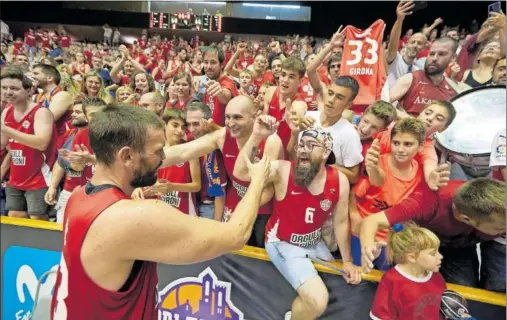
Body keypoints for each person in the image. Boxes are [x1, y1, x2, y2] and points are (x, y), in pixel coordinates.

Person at [50, 104, 271, 319]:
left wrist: (229, 133)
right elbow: (236, 235)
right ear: (126, 157)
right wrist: (258, 179)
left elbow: (183, 152)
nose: (164, 158)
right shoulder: (133, 217)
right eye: (158, 151)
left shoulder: (79, 195)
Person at [234, 122, 361, 320]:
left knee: (336, 285)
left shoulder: (339, 180)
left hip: (313, 242)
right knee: (317, 299)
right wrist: (256, 136)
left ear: (326, 153)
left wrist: (347, 261)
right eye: (301, 145)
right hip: (281, 242)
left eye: (311, 146)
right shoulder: (282, 171)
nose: (303, 150)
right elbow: (240, 173)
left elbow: (341, 222)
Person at [159, 95, 282, 247]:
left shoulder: (271, 140)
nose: (231, 123)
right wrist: (147, 160)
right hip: (235, 203)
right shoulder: (223, 136)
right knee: (229, 250)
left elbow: (267, 190)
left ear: (254, 116)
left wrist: (243, 211)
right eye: (227, 117)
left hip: (263, 208)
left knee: (258, 254)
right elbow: (183, 152)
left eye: (237, 117)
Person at [360, 177, 506, 290]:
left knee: (465, 288)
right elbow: (372, 221)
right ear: (466, 219)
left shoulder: (498, 211)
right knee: (408, 285)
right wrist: (367, 246)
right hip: (424, 242)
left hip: (461, 245)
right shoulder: (429, 200)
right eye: (501, 228)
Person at [351, 118, 448, 270]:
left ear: (421, 146)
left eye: (408, 144)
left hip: (393, 239)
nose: (400, 149)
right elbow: (357, 192)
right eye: (396, 143)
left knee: (387, 277)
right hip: (362, 233)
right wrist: (354, 217)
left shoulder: (421, 175)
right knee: (360, 274)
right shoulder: (377, 162)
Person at [0, 66, 56, 220]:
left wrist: (6, 129)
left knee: (37, 220)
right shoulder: (7, 111)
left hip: (39, 178)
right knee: (14, 217)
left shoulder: (41, 112)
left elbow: (41, 143)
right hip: (16, 178)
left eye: (14, 88)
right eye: (4, 88)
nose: (8, 92)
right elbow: (2, 144)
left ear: (29, 90)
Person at [46, 99, 106, 223]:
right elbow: (76, 170)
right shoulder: (81, 135)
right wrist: (77, 160)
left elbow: (115, 162)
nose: (97, 118)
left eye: (100, 114)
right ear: (87, 117)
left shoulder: (117, 135)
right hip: (80, 191)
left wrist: (89, 158)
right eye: (92, 115)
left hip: (104, 193)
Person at [370, 223, 446, 320]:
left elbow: (443, 308)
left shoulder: (437, 276)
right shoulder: (392, 280)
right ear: (412, 257)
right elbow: (381, 316)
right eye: (433, 253)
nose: (440, 256)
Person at [132, 109, 201, 215]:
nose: (179, 131)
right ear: (164, 124)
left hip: (184, 208)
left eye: (183, 127)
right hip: (157, 207)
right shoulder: (153, 148)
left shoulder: (190, 150)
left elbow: (197, 186)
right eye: (175, 125)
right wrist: (138, 189)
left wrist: (172, 187)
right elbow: (143, 178)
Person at [389, 37, 458, 118]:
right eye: (431, 54)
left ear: (453, 58)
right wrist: (409, 119)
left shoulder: (452, 90)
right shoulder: (411, 79)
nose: (434, 58)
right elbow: (382, 103)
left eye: (441, 54)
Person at [185, 101, 227, 220]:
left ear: (207, 122)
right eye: (188, 124)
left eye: (196, 124)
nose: (191, 129)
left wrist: (216, 223)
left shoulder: (216, 148)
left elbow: (220, 193)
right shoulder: (191, 141)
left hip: (210, 207)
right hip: (193, 203)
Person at [31, 64, 74, 149]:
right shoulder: (36, 97)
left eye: (36, 74)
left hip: (61, 144)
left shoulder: (62, 95)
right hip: (42, 143)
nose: (32, 76)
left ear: (50, 78)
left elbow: (47, 120)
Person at [202, 45, 238, 126]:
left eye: (213, 62)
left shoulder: (228, 83)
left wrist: (221, 93)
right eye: (206, 62)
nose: (208, 66)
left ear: (222, 65)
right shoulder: (210, 81)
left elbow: (225, 96)